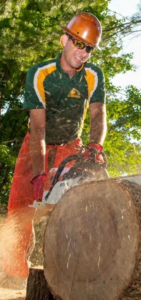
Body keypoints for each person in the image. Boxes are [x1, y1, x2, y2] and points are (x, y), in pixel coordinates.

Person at [0, 12, 107, 289]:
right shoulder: (40, 73)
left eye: (88, 48)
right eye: (77, 44)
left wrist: (95, 145)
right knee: (19, 210)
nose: (82, 52)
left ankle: (76, 274)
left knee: (72, 204)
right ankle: (15, 278)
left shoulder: (93, 75)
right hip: (34, 146)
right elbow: (38, 130)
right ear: (64, 40)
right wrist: (39, 173)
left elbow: (98, 116)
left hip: (71, 145)